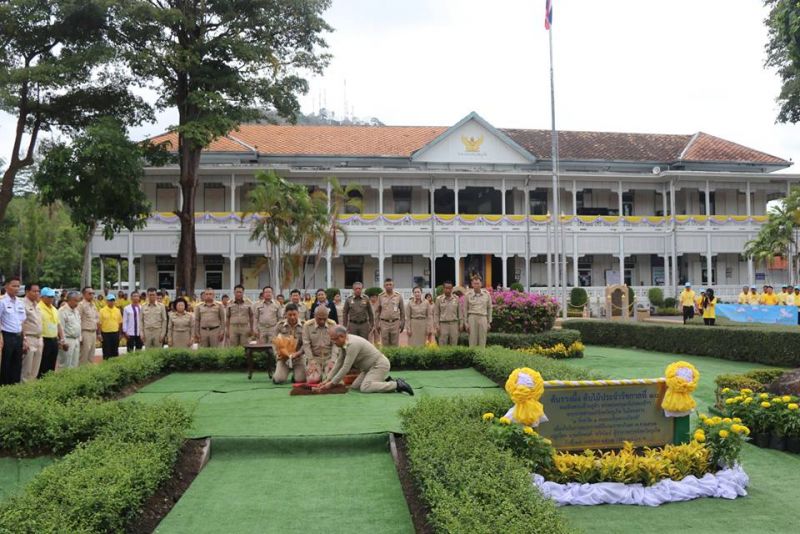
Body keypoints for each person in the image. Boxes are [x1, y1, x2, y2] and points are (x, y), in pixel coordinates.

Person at [317, 325, 413, 395]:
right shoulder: (344, 343)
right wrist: (327, 379)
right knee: (355, 387)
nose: (333, 342)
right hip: (368, 369)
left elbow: (345, 367)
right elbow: (339, 362)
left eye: (334, 339)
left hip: (379, 365)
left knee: (365, 388)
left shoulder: (352, 344)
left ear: (341, 336)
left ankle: (397, 385)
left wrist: (332, 383)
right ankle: (385, 381)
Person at [0, 277, 27, 385]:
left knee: (17, 365)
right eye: (14, 286)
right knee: (6, 364)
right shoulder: (2, 302)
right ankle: (4, 388)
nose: (16, 288)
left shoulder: (20, 302)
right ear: (6, 287)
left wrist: (24, 338)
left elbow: (22, 322)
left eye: (18, 286)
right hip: (7, 336)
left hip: (18, 336)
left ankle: (14, 389)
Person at [301, 306, 337, 383]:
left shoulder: (333, 324)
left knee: (331, 378)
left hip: (328, 357)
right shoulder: (307, 325)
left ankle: (324, 374)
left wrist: (333, 361)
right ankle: (319, 374)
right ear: (314, 315)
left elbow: (335, 344)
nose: (322, 321)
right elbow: (306, 345)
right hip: (315, 358)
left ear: (328, 316)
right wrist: (311, 361)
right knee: (312, 380)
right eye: (319, 318)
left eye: (324, 318)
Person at [272, 303, 305, 384]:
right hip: (284, 359)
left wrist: (298, 353)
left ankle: (295, 375)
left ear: (298, 314)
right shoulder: (279, 325)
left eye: (294, 314)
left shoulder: (305, 325)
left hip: (298, 358)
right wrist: (277, 354)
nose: (292, 317)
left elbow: (306, 343)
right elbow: (274, 342)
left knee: (300, 380)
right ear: (285, 314)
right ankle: (277, 374)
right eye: (290, 315)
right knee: (278, 380)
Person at [38, 287, 63, 377]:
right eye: (49, 297)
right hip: (44, 339)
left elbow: (58, 325)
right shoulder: (38, 308)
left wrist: (61, 338)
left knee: (52, 364)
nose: (51, 299)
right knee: (43, 364)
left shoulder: (54, 309)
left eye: (52, 297)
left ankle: (49, 383)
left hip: (53, 339)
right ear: (42, 297)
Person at [21, 283, 43, 382]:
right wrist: (24, 339)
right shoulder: (22, 304)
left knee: (35, 369)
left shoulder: (37, 305)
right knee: (27, 369)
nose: (37, 293)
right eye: (34, 291)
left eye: (38, 291)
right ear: (27, 292)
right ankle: (24, 391)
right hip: (29, 338)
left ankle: (32, 390)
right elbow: (21, 322)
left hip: (38, 339)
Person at [465, 275, 492, 348]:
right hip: (472, 318)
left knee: (482, 340)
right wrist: (466, 322)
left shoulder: (487, 294)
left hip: (483, 317)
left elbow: (489, 308)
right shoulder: (468, 295)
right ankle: (472, 357)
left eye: (478, 283)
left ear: (481, 284)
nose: (476, 285)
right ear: (472, 284)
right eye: (474, 283)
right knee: (472, 340)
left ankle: (481, 357)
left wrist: (489, 322)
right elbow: (465, 309)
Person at [57, 291, 82, 369]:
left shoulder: (76, 311)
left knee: (74, 364)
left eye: (78, 301)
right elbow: (60, 328)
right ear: (70, 300)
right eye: (75, 301)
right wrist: (63, 342)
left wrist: (80, 338)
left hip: (76, 340)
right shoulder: (62, 311)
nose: (77, 303)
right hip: (67, 340)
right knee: (65, 365)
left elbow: (78, 325)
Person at [376, 278, 404, 346]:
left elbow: (402, 311)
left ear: (393, 286)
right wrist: (377, 323)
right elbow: (377, 311)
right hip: (384, 323)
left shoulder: (398, 296)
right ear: (384, 286)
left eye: (390, 284)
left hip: (395, 323)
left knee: (395, 344)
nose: (389, 286)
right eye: (387, 285)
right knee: (385, 344)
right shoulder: (380, 296)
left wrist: (402, 323)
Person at [434, 281, 462, 346]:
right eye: (446, 288)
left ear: (452, 289)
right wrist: (437, 325)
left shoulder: (456, 298)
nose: (448, 290)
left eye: (450, 288)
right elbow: (436, 314)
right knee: (442, 344)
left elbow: (460, 312)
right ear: (443, 289)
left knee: (454, 344)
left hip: (454, 324)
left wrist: (461, 324)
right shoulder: (439, 299)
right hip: (443, 324)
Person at [77, 287, 100, 365]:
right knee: (84, 355)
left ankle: (89, 374)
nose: (92, 295)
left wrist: (98, 333)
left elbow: (97, 319)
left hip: (93, 332)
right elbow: (78, 320)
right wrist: (80, 336)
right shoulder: (81, 305)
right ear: (84, 295)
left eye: (93, 293)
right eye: (89, 293)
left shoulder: (93, 305)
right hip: (85, 332)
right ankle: (82, 374)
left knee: (91, 356)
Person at [99, 293, 122, 358]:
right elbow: (99, 323)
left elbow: (120, 322)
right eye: (110, 300)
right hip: (105, 334)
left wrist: (120, 334)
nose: (111, 302)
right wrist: (99, 334)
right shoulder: (102, 311)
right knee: (106, 351)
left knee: (115, 351)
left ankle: (114, 366)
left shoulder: (118, 310)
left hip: (115, 333)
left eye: (113, 300)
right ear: (107, 301)